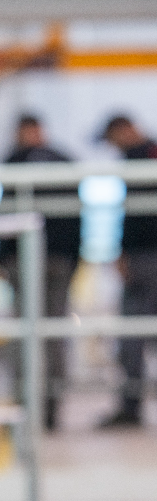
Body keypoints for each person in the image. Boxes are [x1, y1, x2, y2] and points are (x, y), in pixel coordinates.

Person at [0, 114, 81, 430]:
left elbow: (3, 216)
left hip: (24, 260)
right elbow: (77, 216)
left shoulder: (12, 161)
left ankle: (25, 406)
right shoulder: (64, 161)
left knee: (24, 334)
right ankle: (50, 408)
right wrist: (75, 258)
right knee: (53, 334)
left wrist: (2, 258)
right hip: (58, 260)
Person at [98, 115, 157, 427]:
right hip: (142, 256)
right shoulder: (147, 154)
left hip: (143, 258)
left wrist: (123, 252)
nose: (114, 147)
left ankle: (130, 407)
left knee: (132, 335)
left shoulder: (138, 158)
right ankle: (130, 406)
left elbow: (134, 216)